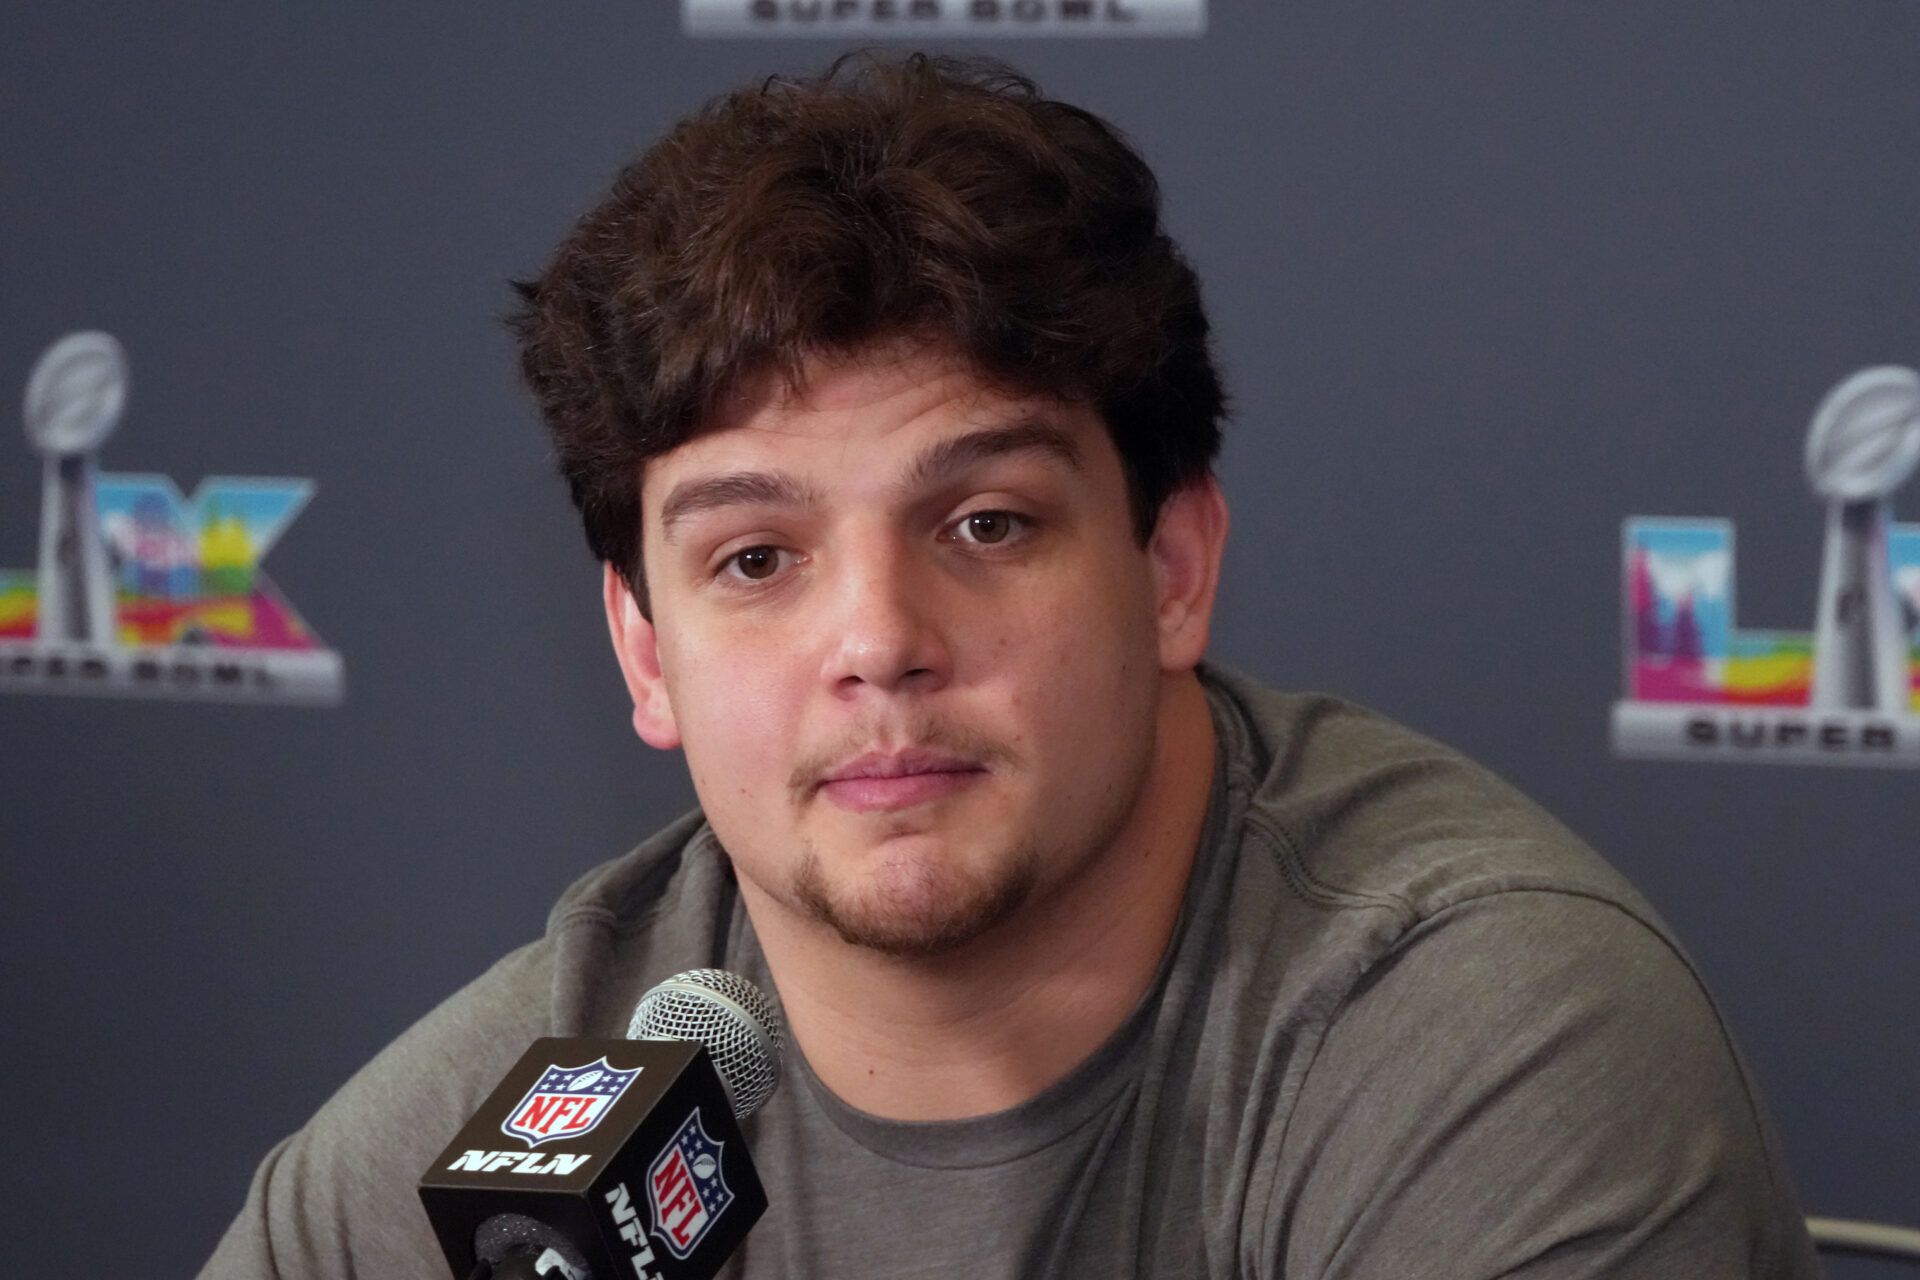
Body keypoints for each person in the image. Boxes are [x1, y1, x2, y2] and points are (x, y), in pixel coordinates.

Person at [200, 53, 1820, 1278]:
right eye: (755, 561)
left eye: (982, 524)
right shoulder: (557, 1095)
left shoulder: (1480, 1038)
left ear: (1171, 571)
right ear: (644, 650)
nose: (880, 643)